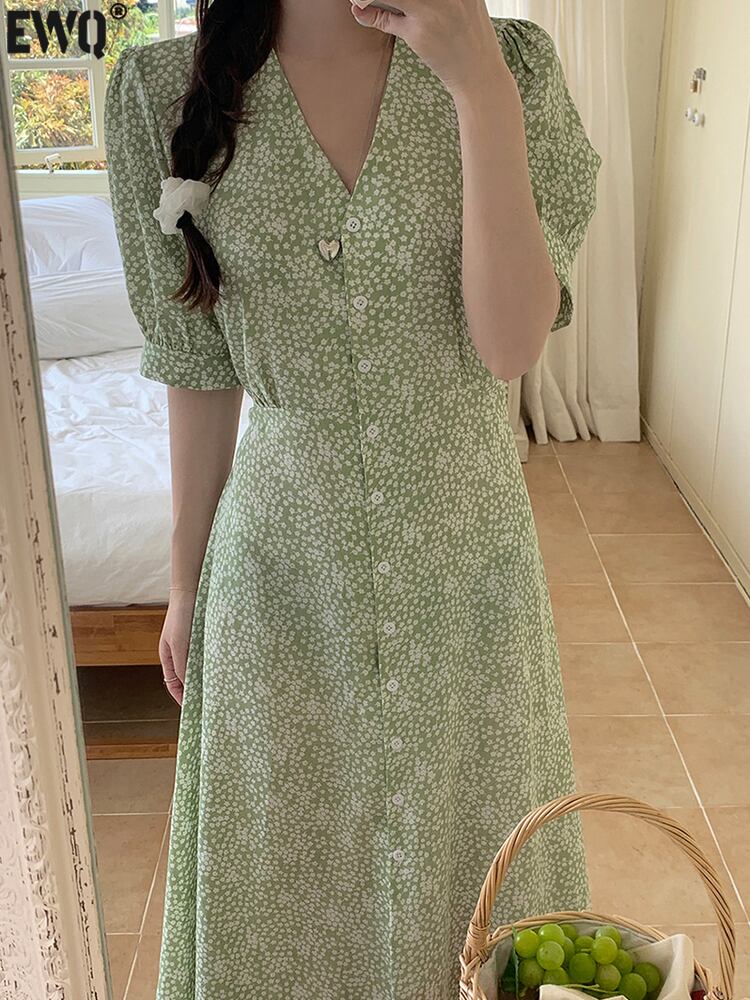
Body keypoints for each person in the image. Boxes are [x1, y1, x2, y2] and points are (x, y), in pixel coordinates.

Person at [104, 0, 601, 996]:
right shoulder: (162, 94)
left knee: (477, 884)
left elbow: (510, 345)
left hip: (467, 566)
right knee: (287, 895)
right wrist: (185, 582)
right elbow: (199, 368)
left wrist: (478, 85)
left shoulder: (511, 66)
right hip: (283, 580)